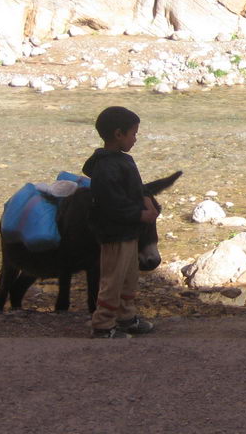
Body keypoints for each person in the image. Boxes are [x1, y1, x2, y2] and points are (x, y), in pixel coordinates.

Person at [83, 106, 159, 338]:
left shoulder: (122, 160)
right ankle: (103, 325)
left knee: (128, 278)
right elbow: (112, 204)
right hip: (115, 234)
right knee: (113, 280)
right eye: (133, 133)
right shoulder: (106, 167)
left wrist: (146, 198)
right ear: (118, 134)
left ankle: (126, 316)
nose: (135, 138)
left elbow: (136, 187)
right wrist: (140, 215)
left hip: (128, 233)